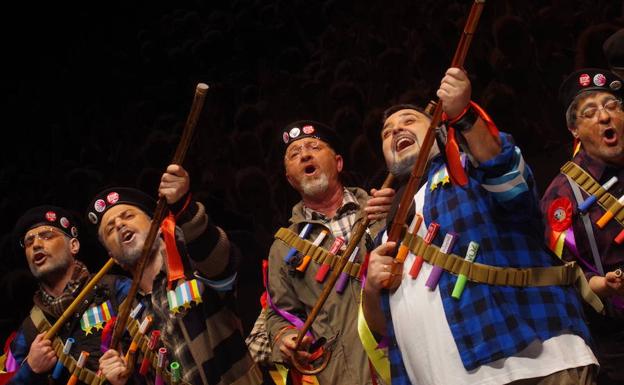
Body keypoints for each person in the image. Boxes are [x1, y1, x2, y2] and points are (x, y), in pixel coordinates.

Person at [361, 67, 599, 385]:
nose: (395, 131)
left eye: (408, 121)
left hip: (532, 365)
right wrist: (371, 289)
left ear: (439, 130)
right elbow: (381, 331)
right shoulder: (388, 229)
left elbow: (508, 178)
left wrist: (464, 117)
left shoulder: (467, 167)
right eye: (387, 132)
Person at [89, 164, 262, 385]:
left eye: (128, 215)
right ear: (113, 256)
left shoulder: (192, 264)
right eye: (110, 229)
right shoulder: (127, 318)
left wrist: (183, 207)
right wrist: (124, 379)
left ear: (156, 224)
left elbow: (218, 259)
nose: (120, 224)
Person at [262, 120, 393, 385]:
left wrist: (398, 213)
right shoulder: (284, 246)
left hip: (403, 357)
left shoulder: (380, 209)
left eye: (314, 146)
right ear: (290, 178)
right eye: (294, 154)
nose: (305, 155)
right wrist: (285, 337)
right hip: (341, 372)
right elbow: (279, 313)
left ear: (339, 162)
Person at [541, 68, 624, 384]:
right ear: (574, 129)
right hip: (616, 341)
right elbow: (560, 277)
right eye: (590, 113)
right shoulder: (563, 196)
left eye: (612, 106)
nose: (605, 117)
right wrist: (601, 285)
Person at [7, 205, 130, 385]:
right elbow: (6, 377)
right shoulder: (29, 328)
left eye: (47, 235)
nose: (36, 245)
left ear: (73, 245)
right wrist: (30, 369)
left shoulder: (115, 288)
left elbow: (156, 341)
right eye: (29, 242)